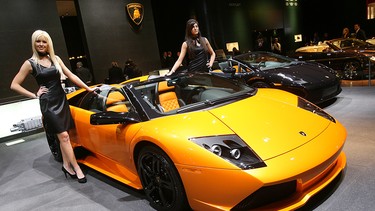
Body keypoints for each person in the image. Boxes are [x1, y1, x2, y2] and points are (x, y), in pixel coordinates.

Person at [10, 30, 96, 183]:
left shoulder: (55, 59)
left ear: (48, 43)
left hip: (61, 100)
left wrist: (88, 89)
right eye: (38, 41)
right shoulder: (30, 63)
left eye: (44, 41)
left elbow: (71, 75)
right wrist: (34, 94)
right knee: (64, 136)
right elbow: (14, 85)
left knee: (64, 136)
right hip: (48, 103)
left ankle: (66, 165)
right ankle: (76, 168)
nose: (41, 44)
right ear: (34, 43)